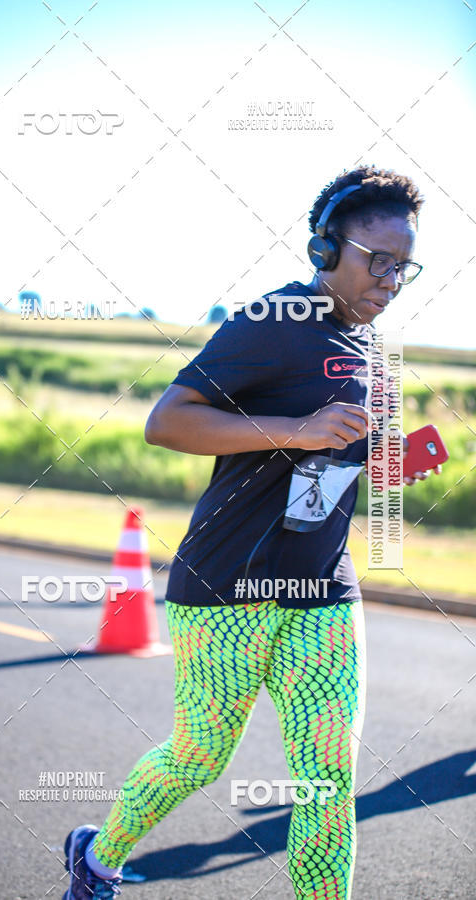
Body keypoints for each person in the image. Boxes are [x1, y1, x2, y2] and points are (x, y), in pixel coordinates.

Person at [61, 165, 442, 899]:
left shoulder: (366, 348)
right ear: (325, 251)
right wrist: (296, 427)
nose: (392, 280)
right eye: (379, 260)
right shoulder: (272, 322)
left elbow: (329, 459)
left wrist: (385, 462)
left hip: (321, 586)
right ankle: (97, 855)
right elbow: (166, 422)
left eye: (406, 266)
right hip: (225, 582)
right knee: (199, 754)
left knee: (326, 778)